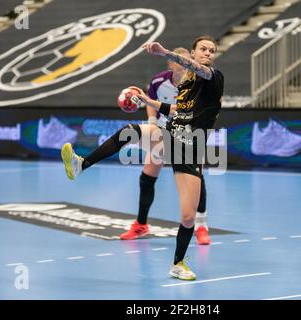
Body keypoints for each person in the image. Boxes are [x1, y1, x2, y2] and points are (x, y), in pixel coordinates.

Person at [61, 35, 224, 281]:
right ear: (194, 51)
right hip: (171, 133)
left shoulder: (213, 77)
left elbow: (196, 67)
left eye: (211, 50)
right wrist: (149, 102)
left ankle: (178, 263)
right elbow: (178, 110)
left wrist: (165, 52)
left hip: (191, 147)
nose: (208, 53)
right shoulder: (187, 86)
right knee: (130, 132)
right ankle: (81, 164)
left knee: (188, 217)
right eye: (203, 49)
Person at [119, 47, 211, 245]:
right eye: (178, 60)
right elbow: (149, 102)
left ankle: (201, 226)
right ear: (171, 63)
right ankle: (141, 224)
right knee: (148, 174)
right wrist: (152, 121)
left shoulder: (197, 83)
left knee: (197, 176)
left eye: (186, 60)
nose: (183, 63)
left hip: (188, 135)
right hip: (163, 132)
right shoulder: (159, 81)